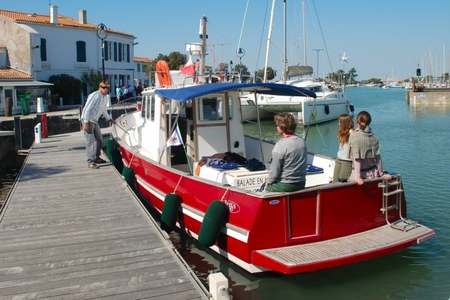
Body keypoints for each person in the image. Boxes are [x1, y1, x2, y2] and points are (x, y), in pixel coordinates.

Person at [266, 113, 307, 192]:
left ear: (282, 128)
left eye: (277, 125)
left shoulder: (280, 145)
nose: (276, 127)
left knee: (264, 188)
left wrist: (267, 183)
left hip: (285, 185)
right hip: (301, 183)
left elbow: (274, 174)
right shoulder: (302, 142)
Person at [348, 111, 388, 185]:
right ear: (369, 122)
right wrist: (381, 173)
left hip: (360, 175)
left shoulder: (354, 137)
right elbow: (378, 158)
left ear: (357, 121)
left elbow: (357, 159)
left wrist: (357, 177)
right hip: (373, 174)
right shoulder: (374, 137)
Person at [80, 80, 113, 169]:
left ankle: (97, 157)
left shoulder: (105, 97)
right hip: (88, 120)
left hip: (95, 121)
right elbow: (87, 109)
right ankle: (90, 161)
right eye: (104, 88)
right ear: (100, 88)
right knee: (90, 141)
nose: (106, 89)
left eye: (107, 88)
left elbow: (103, 109)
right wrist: (86, 122)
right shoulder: (95, 95)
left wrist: (109, 119)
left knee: (99, 140)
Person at [333, 114, 354, 182]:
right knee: (335, 180)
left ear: (344, 123)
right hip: (339, 159)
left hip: (347, 161)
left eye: (339, 122)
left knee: (342, 181)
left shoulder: (352, 133)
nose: (338, 124)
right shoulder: (342, 132)